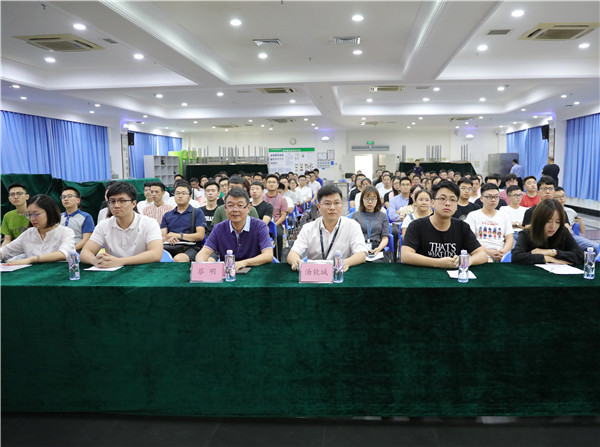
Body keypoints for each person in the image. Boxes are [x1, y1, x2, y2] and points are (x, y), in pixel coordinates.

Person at [401, 180, 488, 268]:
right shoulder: (417, 225)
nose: (447, 203)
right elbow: (405, 255)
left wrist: (467, 261)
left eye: (452, 200)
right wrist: (438, 263)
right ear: (432, 203)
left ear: (456, 206)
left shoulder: (462, 227)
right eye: (442, 199)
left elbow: (482, 255)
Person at [80, 182, 163, 268]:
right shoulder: (104, 225)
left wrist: (120, 261)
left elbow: (156, 254)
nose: (116, 205)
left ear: (134, 203)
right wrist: (96, 261)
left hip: (143, 270)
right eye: (112, 201)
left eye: (122, 201)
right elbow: (84, 253)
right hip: (112, 271)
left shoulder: (149, 223)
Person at [288, 185, 367, 271]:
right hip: (317, 273)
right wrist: (295, 260)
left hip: (341, 272)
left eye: (336, 203)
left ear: (342, 205)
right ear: (319, 207)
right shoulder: (308, 228)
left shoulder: (352, 226)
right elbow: (292, 253)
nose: (332, 208)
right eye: (327, 203)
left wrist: (347, 262)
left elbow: (361, 254)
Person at [195, 188, 273, 268]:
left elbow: (268, 255)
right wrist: (201, 265)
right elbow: (202, 254)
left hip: (255, 270)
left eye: (240, 205)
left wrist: (244, 263)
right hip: (228, 272)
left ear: (248, 208)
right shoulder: (219, 228)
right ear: (225, 208)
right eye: (230, 205)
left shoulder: (260, 226)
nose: (235, 210)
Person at [0, 194, 75, 265]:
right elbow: (5, 251)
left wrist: (31, 259)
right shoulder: (28, 234)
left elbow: (63, 254)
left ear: (49, 212)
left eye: (36, 214)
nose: (32, 219)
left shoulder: (66, 232)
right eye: (29, 215)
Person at [512, 199, 583, 265]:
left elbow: (580, 256)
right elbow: (516, 256)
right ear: (539, 219)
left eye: (558, 222)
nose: (553, 226)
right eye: (548, 221)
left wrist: (552, 252)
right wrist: (546, 258)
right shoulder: (527, 233)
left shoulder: (563, 231)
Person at [465, 183, 514, 262]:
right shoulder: (473, 215)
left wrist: (503, 252)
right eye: (489, 197)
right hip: (479, 253)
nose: (493, 199)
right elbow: (471, 239)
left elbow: (509, 238)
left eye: (496, 197)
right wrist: (488, 252)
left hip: (500, 253)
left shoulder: (504, 216)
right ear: (481, 198)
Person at [161, 181, 207, 262]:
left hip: (191, 247)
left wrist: (179, 236)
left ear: (190, 197)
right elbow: (163, 236)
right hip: (170, 246)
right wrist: (169, 238)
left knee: (179, 259)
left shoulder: (197, 212)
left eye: (183, 193)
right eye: (177, 193)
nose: (180, 196)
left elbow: (200, 236)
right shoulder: (167, 215)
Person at [352, 186, 390, 262]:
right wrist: (362, 248)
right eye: (367, 198)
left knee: (379, 264)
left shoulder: (383, 216)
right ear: (362, 200)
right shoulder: (355, 215)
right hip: (360, 247)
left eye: (373, 199)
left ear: (377, 200)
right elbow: (352, 237)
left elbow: (385, 237)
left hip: (377, 247)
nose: (370, 202)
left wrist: (379, 249)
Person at [60, 186, 95, 251]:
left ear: (78, 200)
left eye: (69, 196)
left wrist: (71, 250)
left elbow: (86, 239)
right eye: (63, 197)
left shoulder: (86, 217)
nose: (66, 199)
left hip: (78, 251)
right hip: (59, 250)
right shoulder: (58, 217)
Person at [264, 174, 288, 261]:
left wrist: (274, 225)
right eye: (269, 182)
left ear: (277, 185)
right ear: (266, 184)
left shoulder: (282, 199)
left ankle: (278, 258)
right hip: (263, 223)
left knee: (279, 234)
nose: (271, 184)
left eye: (274, 182)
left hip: (277, 223)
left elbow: (283, 216)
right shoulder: (261, 198)